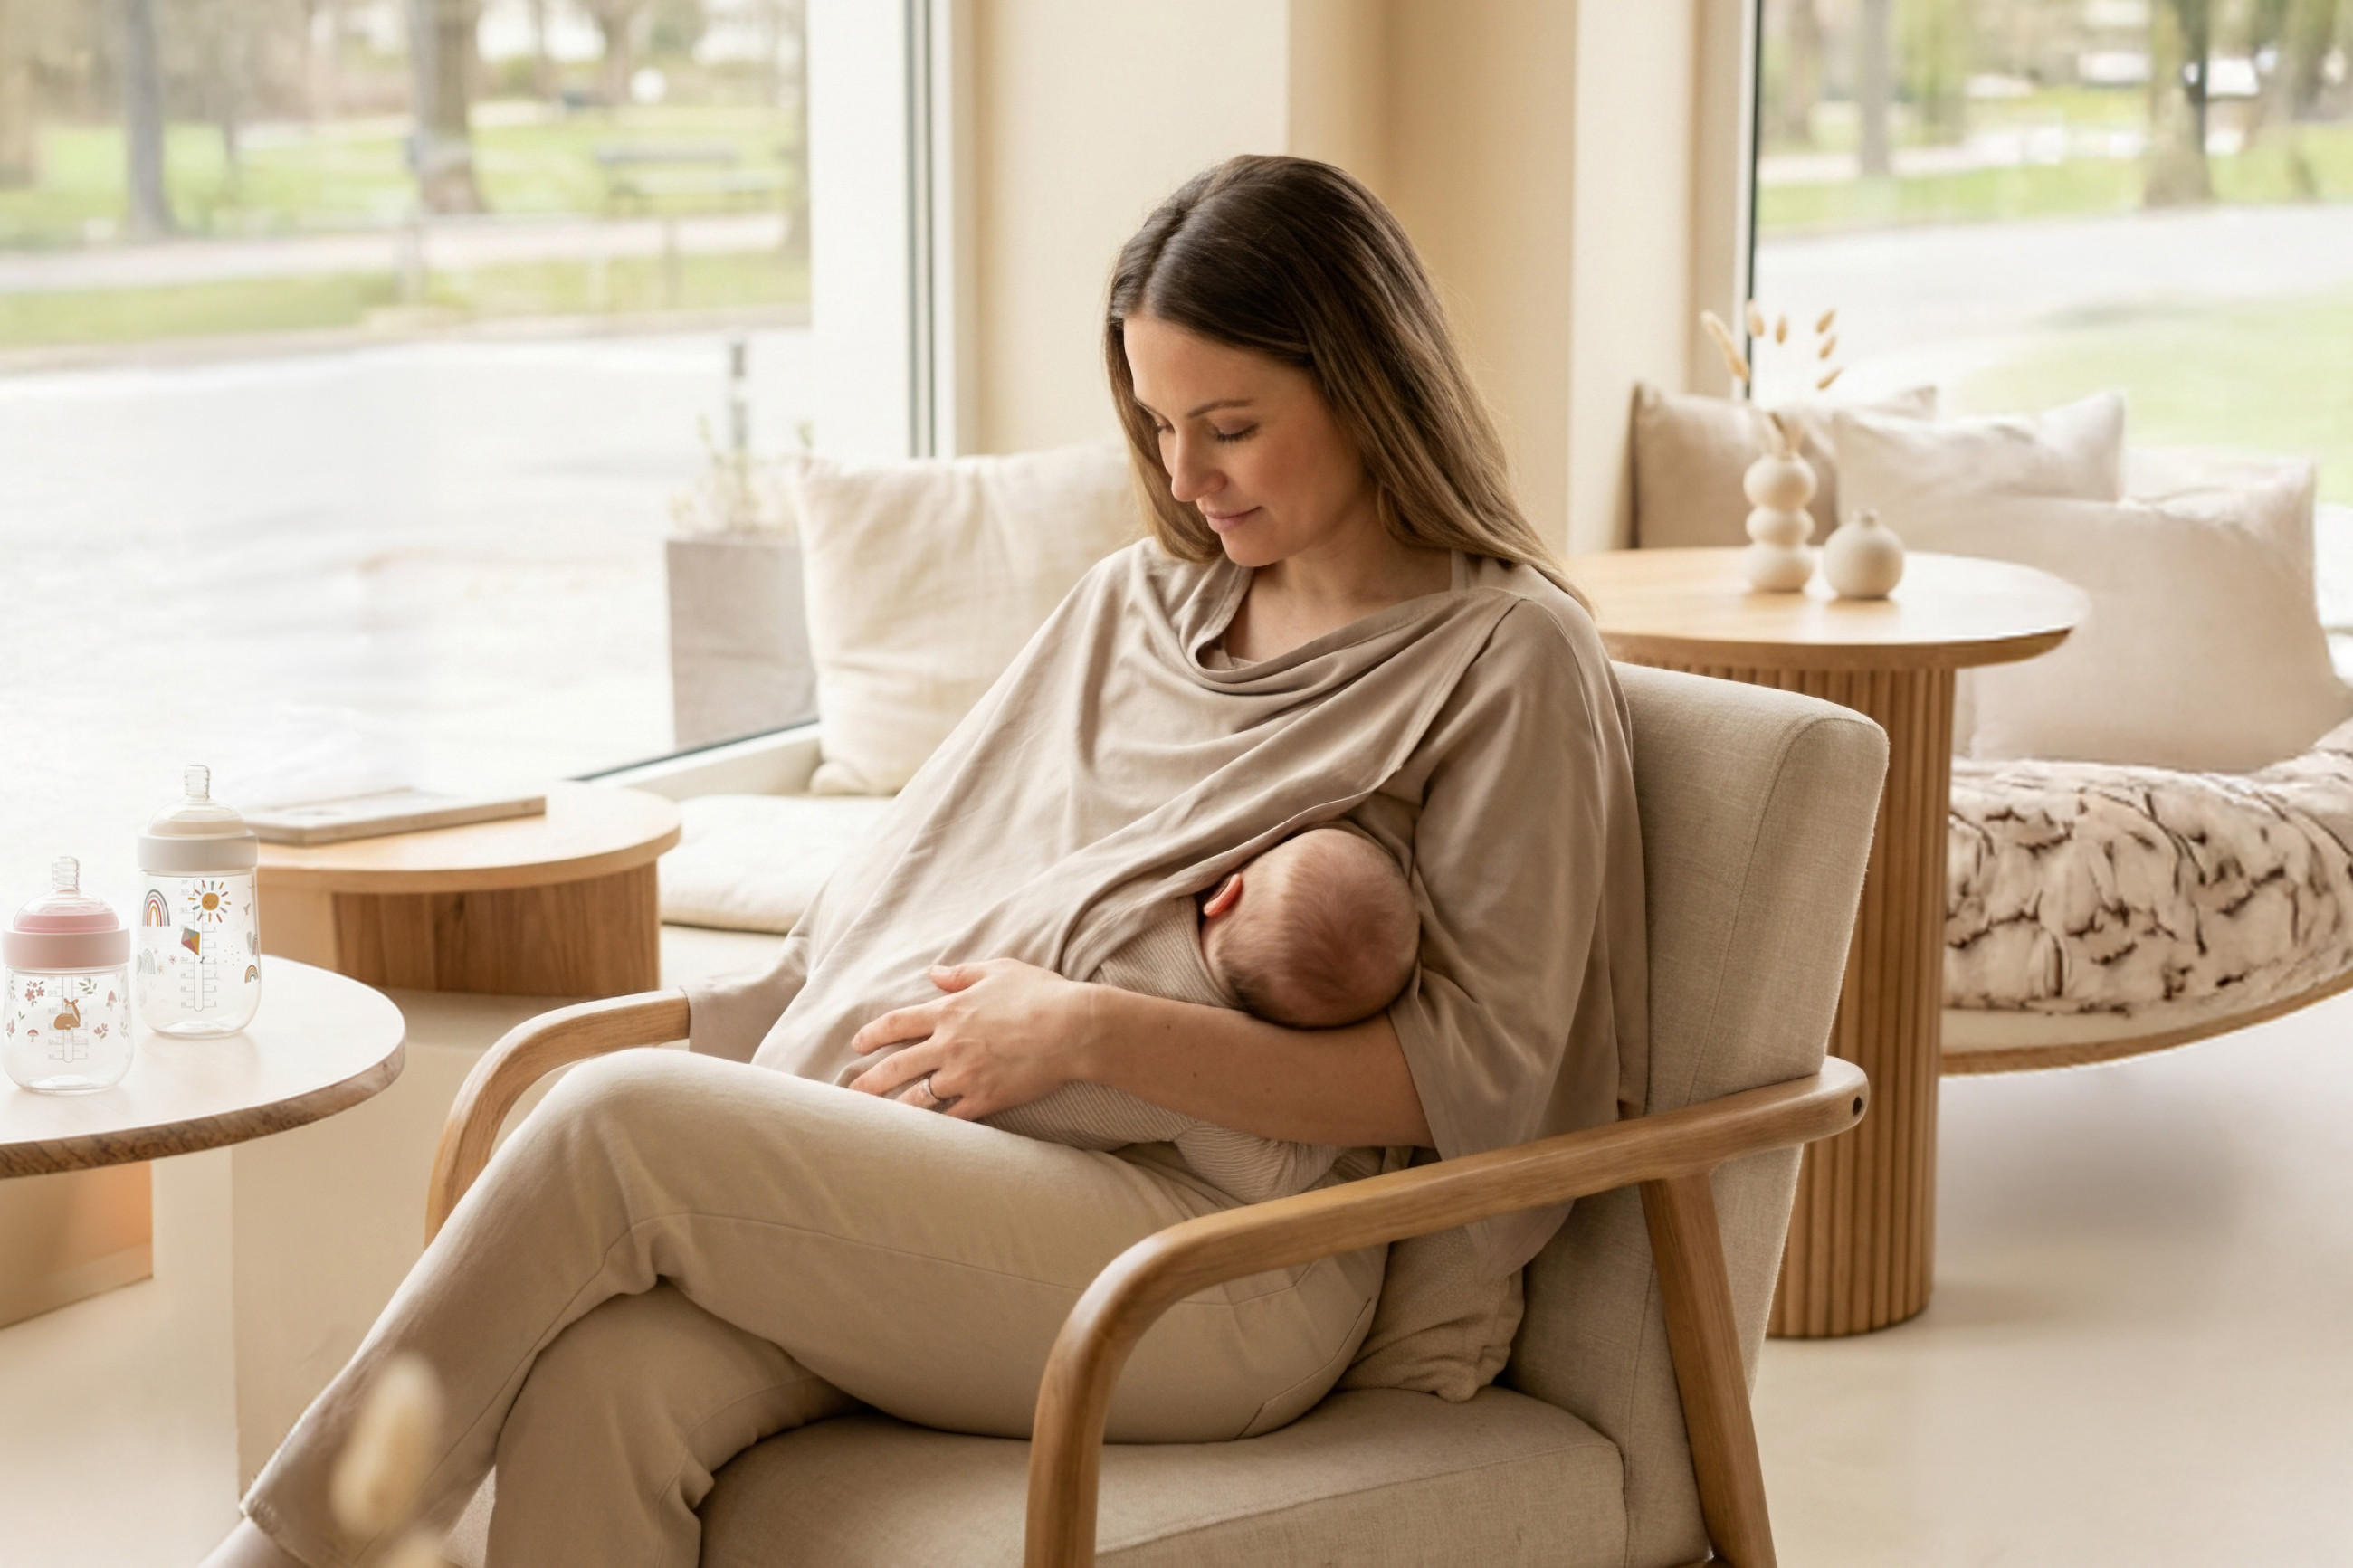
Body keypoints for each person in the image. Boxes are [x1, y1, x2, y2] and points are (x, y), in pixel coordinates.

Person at [205, 153, 1647, 1568]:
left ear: (1366, 386)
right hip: (967, 1181)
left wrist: (1091, 1029)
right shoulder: (1131, 608)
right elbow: (929, 867)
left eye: (1229, 425)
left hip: (1222, 1267)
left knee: (614, 1118)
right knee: (614, 1386)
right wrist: (800, 1030)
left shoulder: (1505, 658)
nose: (1181, 474)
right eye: (1153, 425)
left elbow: (1490, 1080)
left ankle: (285, 1557)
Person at [979, 822, 1422, 1203]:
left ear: (1224, 890)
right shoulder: (1203, 1094)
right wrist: (1348, 1131)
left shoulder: (1147, 905)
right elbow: (1270, 1178)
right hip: (973, 1124)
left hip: (957, 1017)